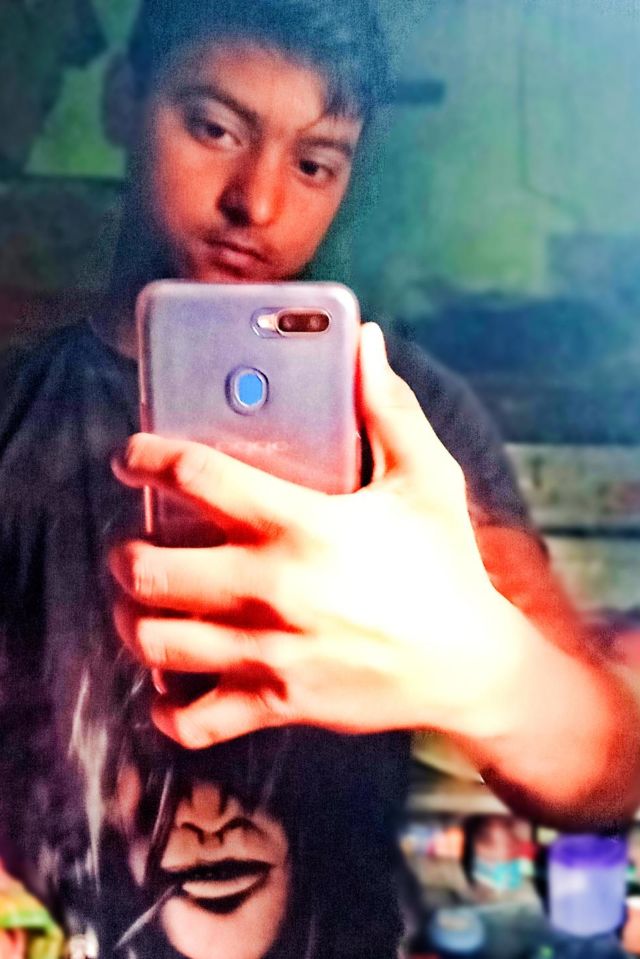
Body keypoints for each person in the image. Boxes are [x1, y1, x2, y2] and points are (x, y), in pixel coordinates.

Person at [0, 0, 589, 954]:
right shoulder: (13, 414)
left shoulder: (407, 422)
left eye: (315, 162)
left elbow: (607, 774)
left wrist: (488, 673)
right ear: (121, 100)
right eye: (214, 128)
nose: (259, 204)